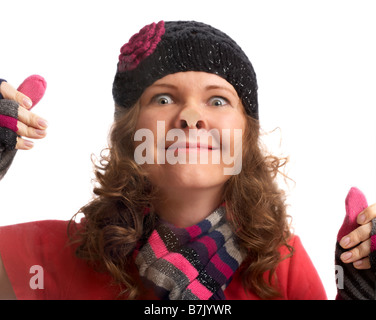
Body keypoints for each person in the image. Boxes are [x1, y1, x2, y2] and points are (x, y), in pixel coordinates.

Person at [0, 20, 375, 300]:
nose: (191, 116)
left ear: (245, 136)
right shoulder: (46, 255)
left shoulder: (281, 265)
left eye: (218, 100)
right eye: (163, 99)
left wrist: (363, 289)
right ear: (129, 133)